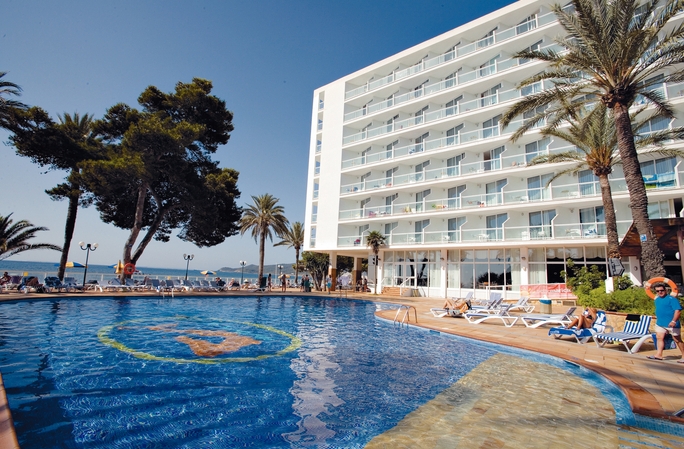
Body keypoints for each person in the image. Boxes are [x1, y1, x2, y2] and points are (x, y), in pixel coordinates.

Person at [648, 283, 684, 362]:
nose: (660, 292)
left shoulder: (672, 299)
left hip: (672, 324)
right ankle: (659, 354)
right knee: (659, 338)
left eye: (661, 290)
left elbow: (678, 311)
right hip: (660, 323)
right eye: (657, 291)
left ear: (666, 290)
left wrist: (673, 321)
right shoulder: (657, 300)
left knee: (677, 340)